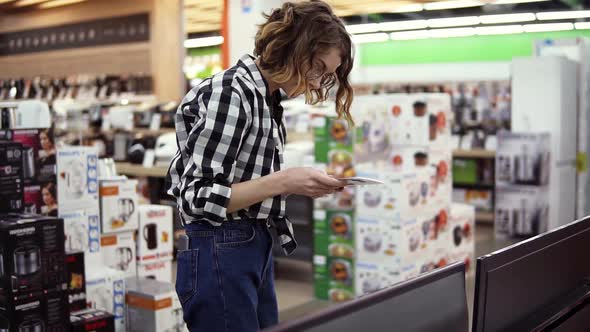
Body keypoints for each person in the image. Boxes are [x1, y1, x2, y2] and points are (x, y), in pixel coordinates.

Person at [166, 1, 353, 331]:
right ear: (294, 46)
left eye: (327, 76)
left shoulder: (266, 98)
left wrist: (299, 183)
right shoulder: (232, 94)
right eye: (319, 67)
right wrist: (285, 182)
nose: (317, 82)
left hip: (251, 243)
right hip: (221, 247)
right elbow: (198, 196)